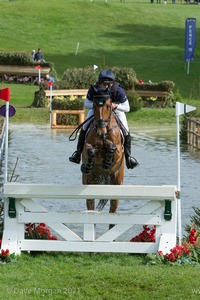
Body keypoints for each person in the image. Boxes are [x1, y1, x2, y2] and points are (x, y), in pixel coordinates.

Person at [69, 70, 139, 169]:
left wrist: (114, 106)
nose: (106, 86)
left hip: (116, 110)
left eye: (108, 84)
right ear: (99, 82)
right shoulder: (93, 89)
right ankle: (77, 154)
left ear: (112, 83)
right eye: (104, 84)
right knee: (84, 128)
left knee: (126, 131)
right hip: (98, 110)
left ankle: (128, 158)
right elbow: (86, 104)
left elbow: (127, 108)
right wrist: (96, 106)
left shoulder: (118, 90)